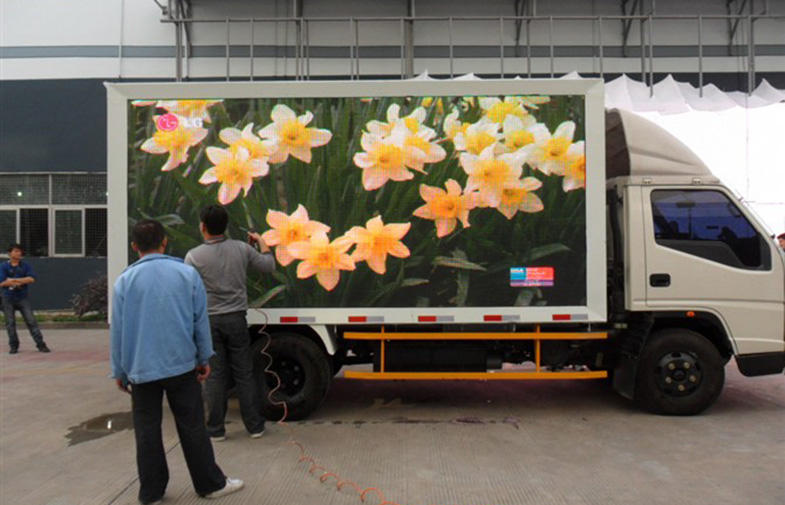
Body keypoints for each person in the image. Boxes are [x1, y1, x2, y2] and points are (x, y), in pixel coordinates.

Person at [110, 219, 243, 504]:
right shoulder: (186, 274)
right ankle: (210, 484)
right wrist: (204, 356)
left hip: (141, 369)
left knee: (147, 430)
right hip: (181, 365)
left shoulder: (124, 281)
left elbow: (118, 330)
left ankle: (151, 493)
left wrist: (119, 370)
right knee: (192, 425)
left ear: (135, 247)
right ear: (165, 241)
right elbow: (199, 321)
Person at [185, 205, 275, 442]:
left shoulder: (193, 256)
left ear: (203, 227)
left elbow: (188, 291)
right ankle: (255, 427)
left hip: (209, 321)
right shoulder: (242, 249)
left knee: (214, 375)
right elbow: (268, 266)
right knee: (244, 374)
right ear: (225, 226)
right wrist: (262, 243)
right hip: (236, 318)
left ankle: (215, 429)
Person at [1, 244, 50, 354]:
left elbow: (31, 279)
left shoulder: (25, 266)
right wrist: (18, 281)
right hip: (7, 298)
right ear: (10, 253)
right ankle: (14, 346)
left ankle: (41, 344)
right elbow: (3, 282)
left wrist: (14, 280)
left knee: (31, 321)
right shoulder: (3, 266)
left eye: (20, 251)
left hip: (22, 298)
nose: (18, 253)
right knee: (10, 323)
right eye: (16, 251)